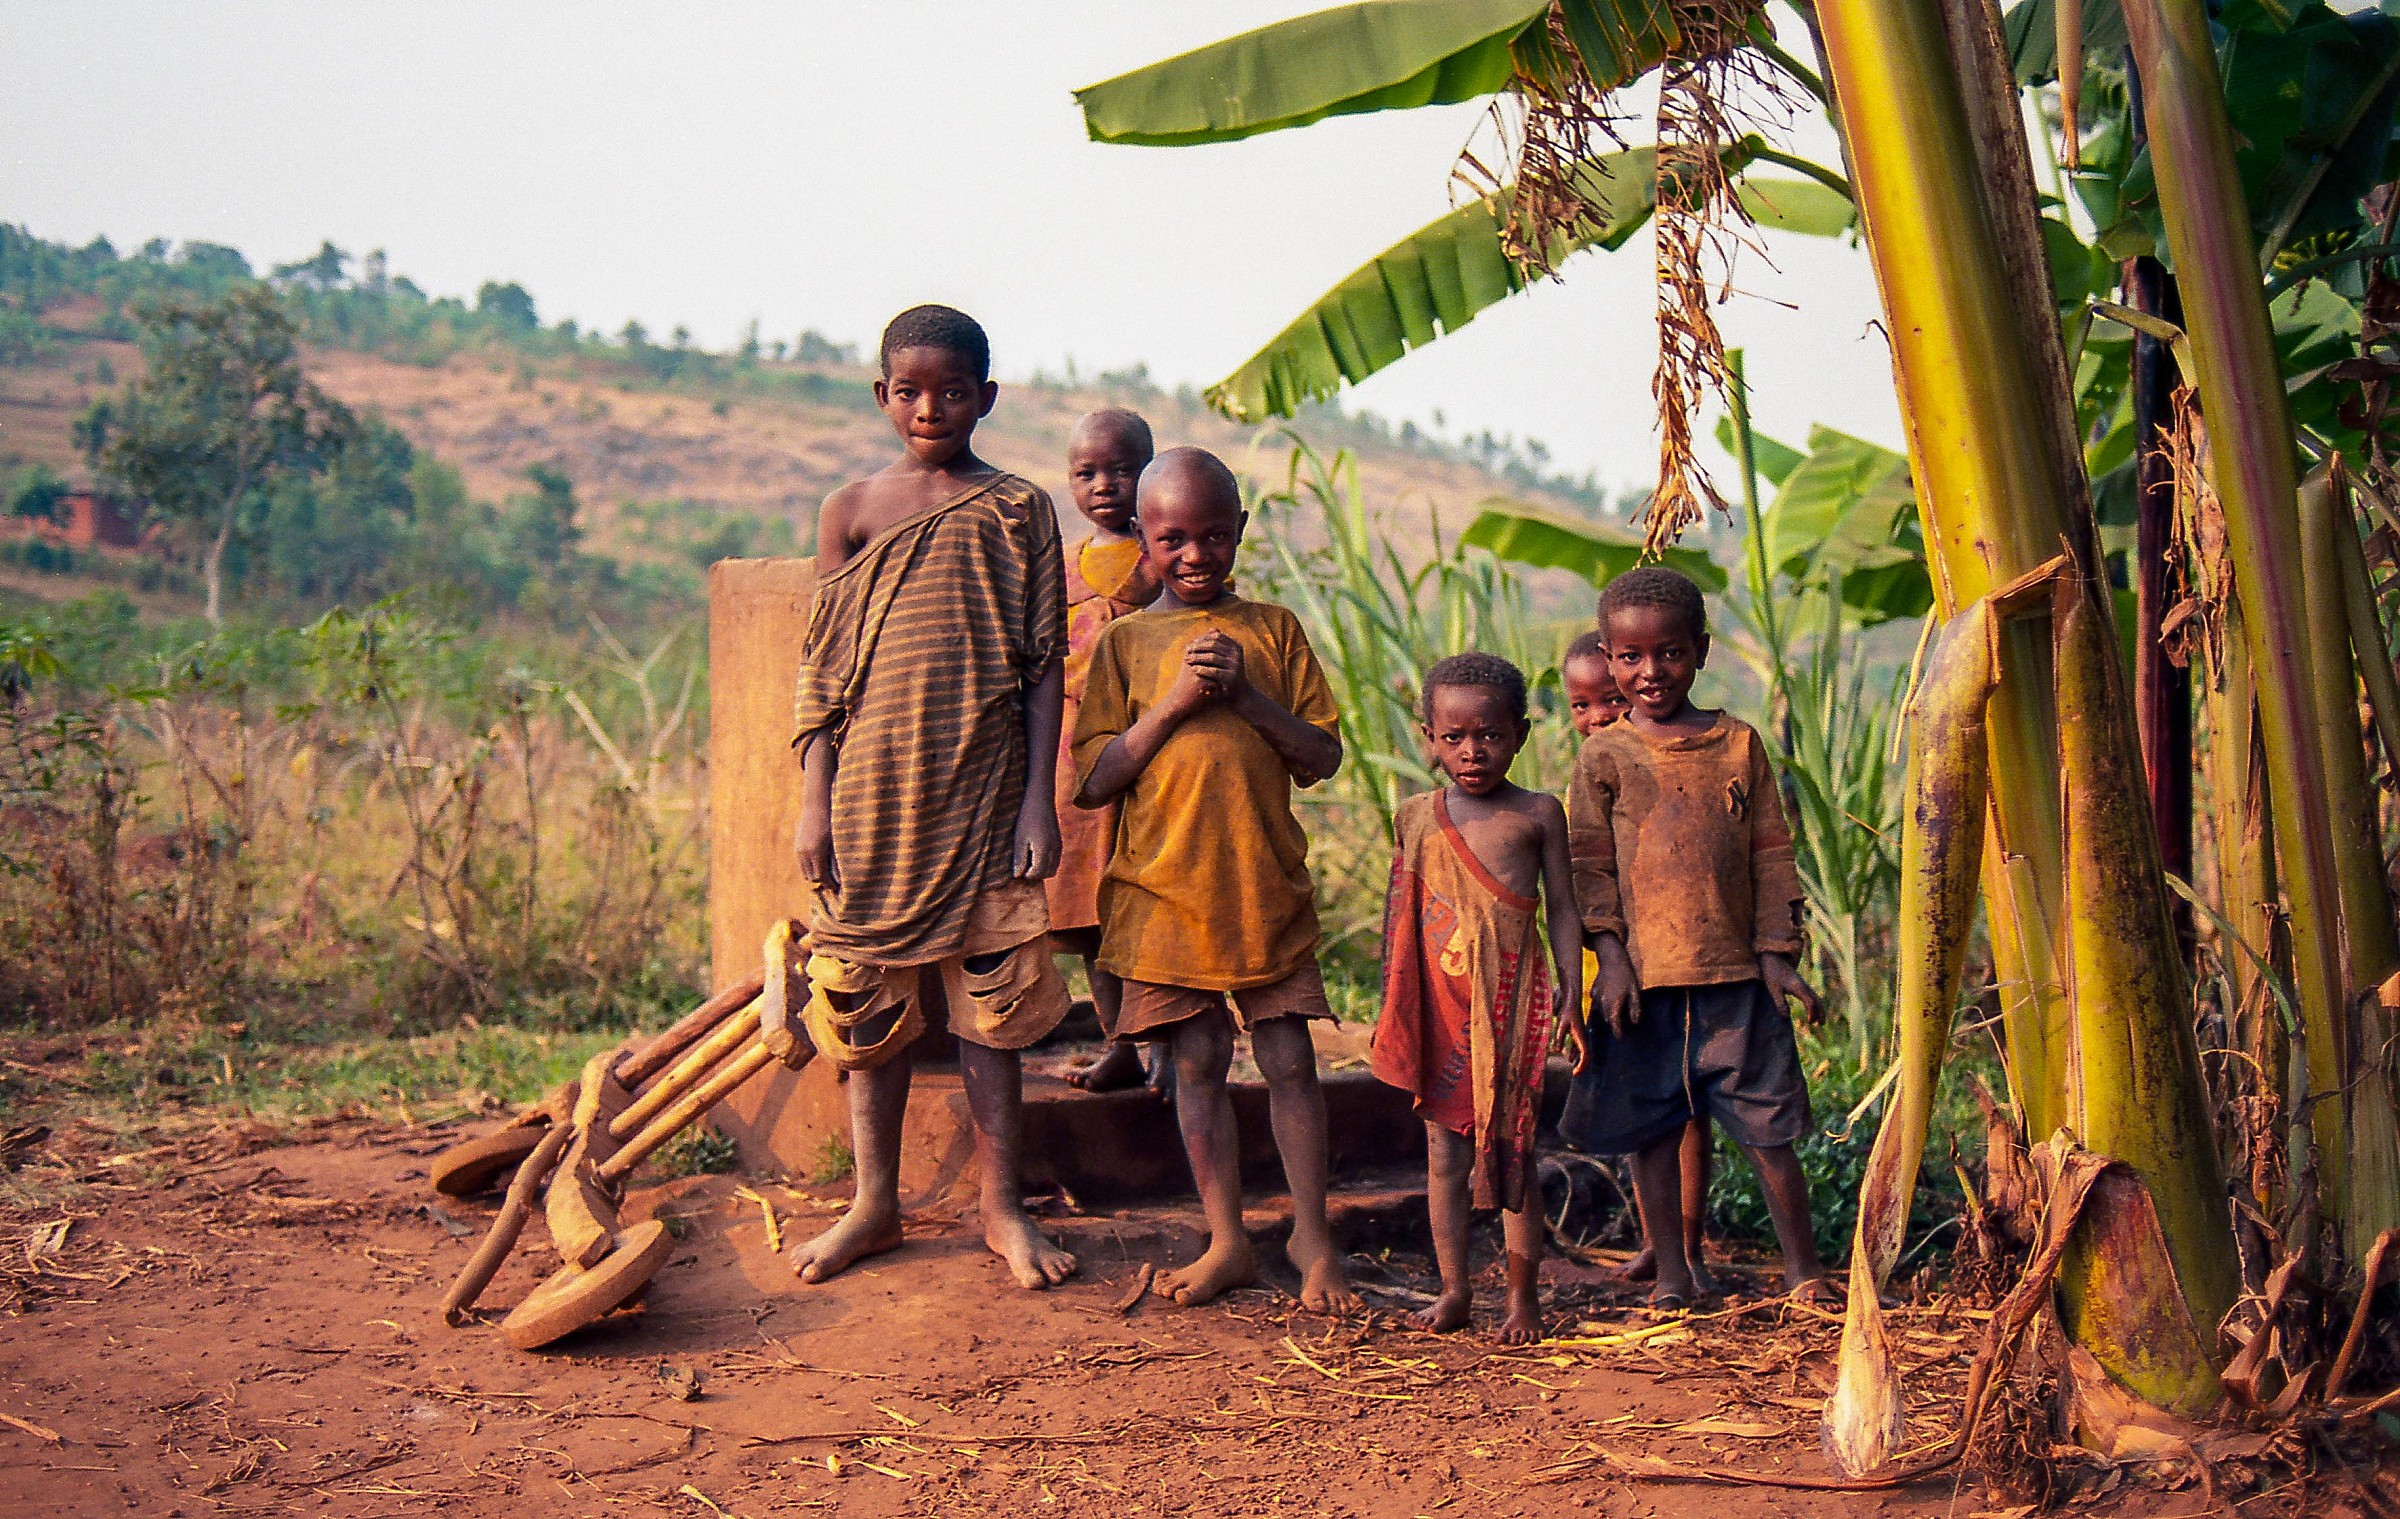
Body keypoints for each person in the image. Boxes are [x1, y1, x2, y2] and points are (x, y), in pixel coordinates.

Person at [774, 303, 1078, 1292]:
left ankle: (1002, 1207)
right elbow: (822, 671)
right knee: (865, 1007)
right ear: (881, 395)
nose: (931, 407)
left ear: (986, 397)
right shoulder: (850, 510)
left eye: (953, 391)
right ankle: (875, 1201)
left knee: (991, 1008)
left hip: (987, 793)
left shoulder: (1018, 509)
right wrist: (814, 802)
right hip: (870, 797)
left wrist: (1039, 803)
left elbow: (1042, 668)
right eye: (909, 390)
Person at [1073, 447, 1360, 1312]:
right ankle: (1228, 1235)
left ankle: (1314, 1236)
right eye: (1172, 538)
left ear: (1240, 531)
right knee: (1196, 1062)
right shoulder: (1124, 644)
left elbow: (1323, 754)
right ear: (1142, 542)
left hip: (1263, 889)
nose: (1195, 554)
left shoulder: (1272, 631)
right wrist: (1172, 706)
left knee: (1288, 1060)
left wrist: (1247, 700)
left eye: (1212, 535)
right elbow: (1093, 779)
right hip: (1163, 894)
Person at [1561, 566, 1833, 1311]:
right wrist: (1608, 957)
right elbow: (1590, 866)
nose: (1651, 672)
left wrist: (1778, 954)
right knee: (1653, 1132)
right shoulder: (1603, 756)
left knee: (1768, 1135)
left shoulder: (1737, 744)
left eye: (1670, 653)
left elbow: (1771, 854)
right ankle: (1674, 1271)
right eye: (1631, 657)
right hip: (1644, 986)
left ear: (1701, 651)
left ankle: (1803, 1269)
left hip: (1737, 983)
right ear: (1611, 659)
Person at [1370, 653, 1584, 1343]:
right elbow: (1401, 919)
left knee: (1514, 1145)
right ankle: (1455, 1287)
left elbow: (1563, 912)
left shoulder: (1538, 812)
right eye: (1454, 736)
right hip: (1441, 1007)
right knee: (1443, 1154)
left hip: (1512, 1006)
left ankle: (1524, 1298)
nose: (1472, 750)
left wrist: (1572, 995)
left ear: (1519, 733)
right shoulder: (1414, 816)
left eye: (1489, 734)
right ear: (1427, 736)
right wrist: (1394, 1010)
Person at [1563, 629, 1713, 1290]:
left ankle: (1688, 1245)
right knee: (1638, 1106)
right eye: (1580, 704)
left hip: (1675, 960)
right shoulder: (1587, 775)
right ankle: (1662, 1246)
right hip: (1610, 965)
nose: (1598, 715)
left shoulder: (1667, 763)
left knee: (1688, 1108)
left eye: (1606, 699)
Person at [1049, 408, 1169, 1097]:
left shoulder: (1166, 560)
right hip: (1077, 774)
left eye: (1121, 468)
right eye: (1087, 472)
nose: (1104, 484)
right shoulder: (1058, 568)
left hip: (1152, 769)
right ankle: (1120, 1043)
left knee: (1152, 912)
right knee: (1091, 922)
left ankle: (1172, 1052)